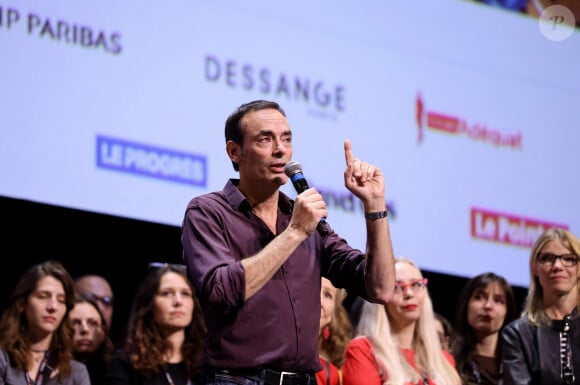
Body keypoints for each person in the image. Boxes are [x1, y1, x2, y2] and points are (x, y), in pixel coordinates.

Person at [181, 99, 396, 385]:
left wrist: (375, 206)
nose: (280, 149)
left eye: (286, 138)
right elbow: (222, 291)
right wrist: (294, 232)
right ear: (235, 152)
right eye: (265, 139)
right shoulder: (209, 212)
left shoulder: (305, 221)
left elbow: (380, 288)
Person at [342, 257, 461, 385]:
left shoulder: (443, 359)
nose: (409, 293)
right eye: (397, 287)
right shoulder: (363, 351)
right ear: (380, 298)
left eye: (416, 284)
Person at [104, 263, 206, 385]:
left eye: (185, 294)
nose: (178, 301)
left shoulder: (208, 362)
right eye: (167, 293)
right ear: (149, 303)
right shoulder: (125, 362)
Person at [501, 227, 580, 384]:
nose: (557, 266)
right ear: (535, 268)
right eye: (547, 258)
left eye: (569, 259)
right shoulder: (517, 334)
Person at [0, 260, 90, 385]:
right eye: (43, 296)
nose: (53, 307)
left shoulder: (76, 372)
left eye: (61, 300)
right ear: (22, 303)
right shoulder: (3, 359)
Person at [452, 272, 518, 385]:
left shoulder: (519, 362)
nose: (488, 306)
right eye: (479, 298)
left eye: (498, 300)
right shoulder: (449, 357)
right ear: (466, 305)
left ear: (507, 311)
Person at [69, 294, 114, 385]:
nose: (85, 329)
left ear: (103, 332)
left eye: (92, 323)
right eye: (76, 323)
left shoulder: (115, 371)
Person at [317, 278, 353, 385]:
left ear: (332, 316)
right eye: (313, 287)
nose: (319, 300)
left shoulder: (334, 376)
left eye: (327, 295)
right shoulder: (269, 352)